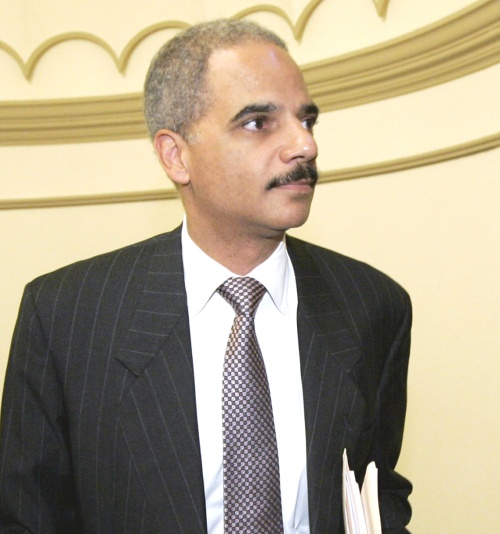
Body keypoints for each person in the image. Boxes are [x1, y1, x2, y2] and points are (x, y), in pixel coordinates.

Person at [0, 19, 412, 533]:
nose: (304, 145)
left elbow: (377, 492)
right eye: (259, 123)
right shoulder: (65, 317)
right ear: (176, 156)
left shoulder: (373, 306)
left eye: (306, 119)